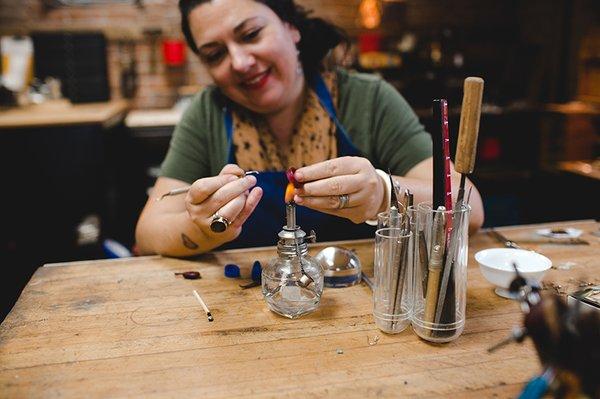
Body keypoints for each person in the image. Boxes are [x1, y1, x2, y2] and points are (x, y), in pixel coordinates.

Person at [135, 0, 484, 256]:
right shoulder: (208, 111)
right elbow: (149, 230)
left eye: (251, 34)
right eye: (215, 55)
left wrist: (382, 193)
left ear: (291, 27)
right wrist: (200, 226)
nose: (240, 63)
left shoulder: (367, 99)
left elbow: (471, 208)